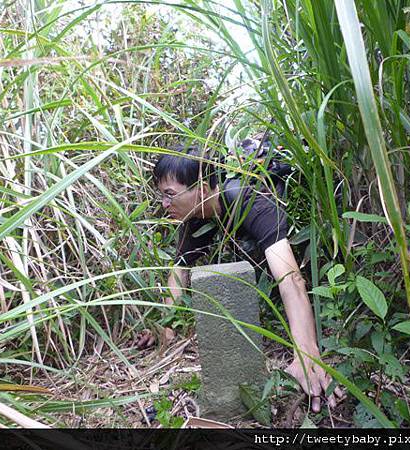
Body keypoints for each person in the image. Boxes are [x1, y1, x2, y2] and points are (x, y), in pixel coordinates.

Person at [140, 144, 343, 412]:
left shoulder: (250, 199)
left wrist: (305, 354)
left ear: (201, 189)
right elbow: (179, 270)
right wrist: (167, 325)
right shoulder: (196, 214)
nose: (164, 204)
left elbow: (290, 278)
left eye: (170, 195)